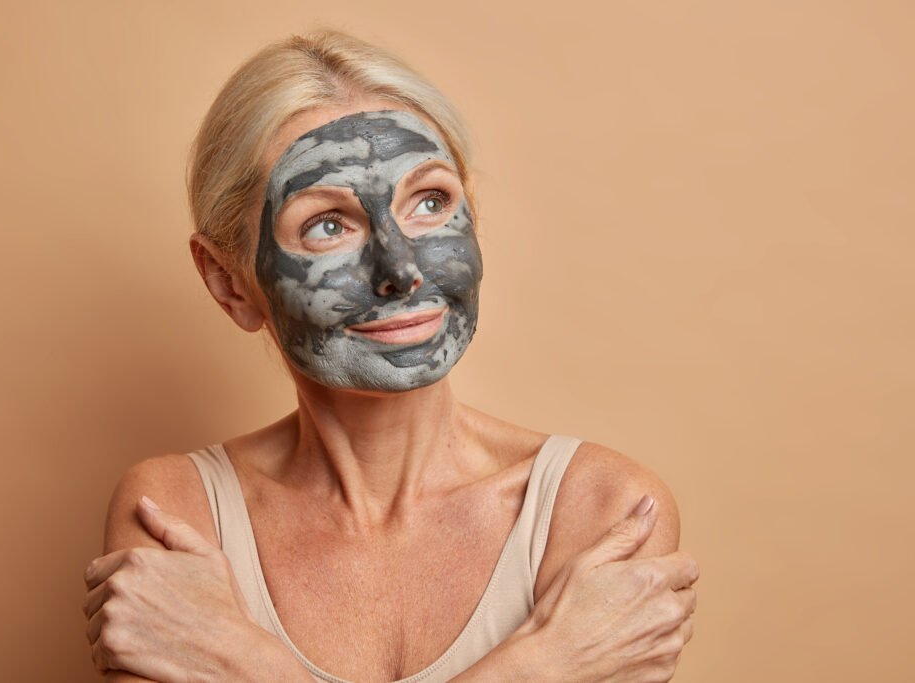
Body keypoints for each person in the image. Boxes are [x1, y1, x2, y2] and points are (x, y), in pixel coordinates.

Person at [82, 30, 699, 683]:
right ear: (229, 281)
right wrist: (543, 664)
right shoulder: (176, 511)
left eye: (430, 203)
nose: (401, 271)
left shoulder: (604, 509)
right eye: (327, 224)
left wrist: (247, 665)